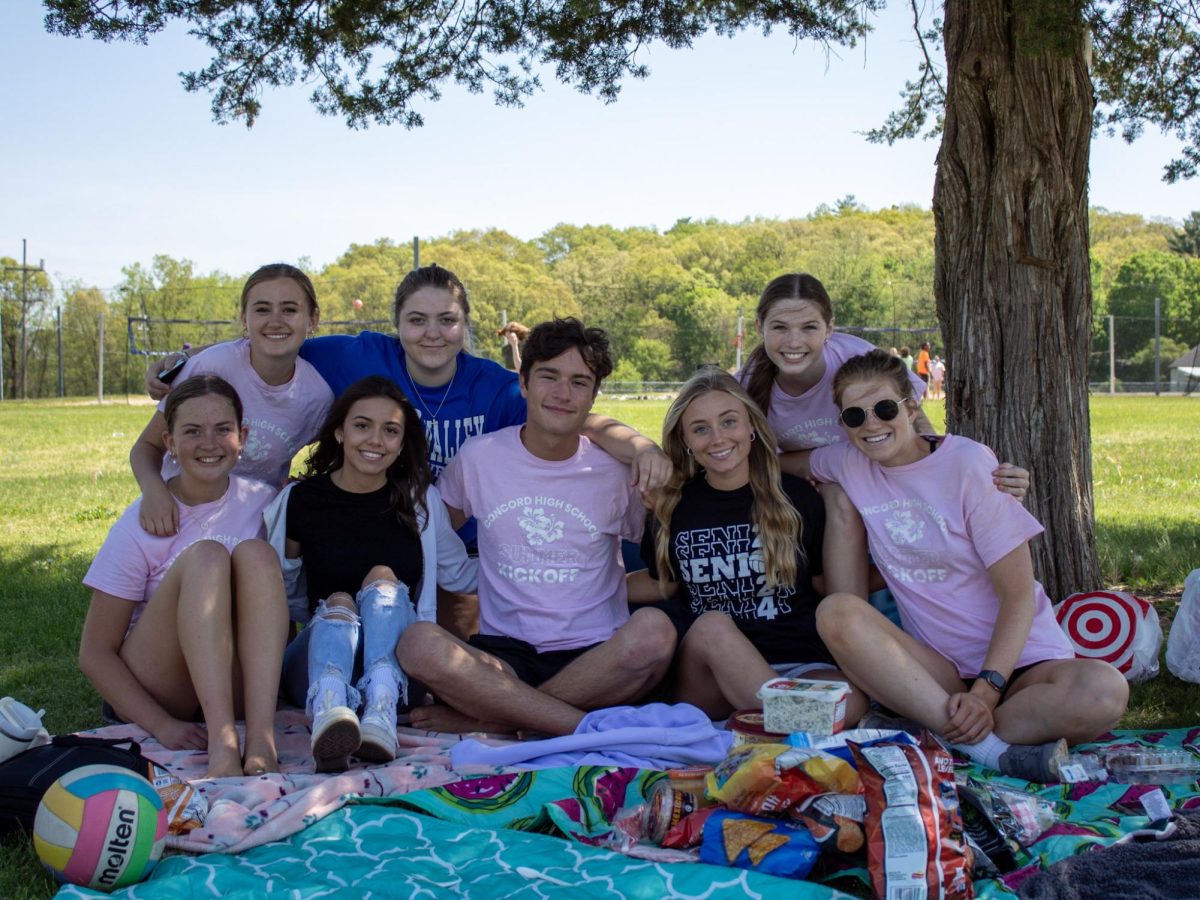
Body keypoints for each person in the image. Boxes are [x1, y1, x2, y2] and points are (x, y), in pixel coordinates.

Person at [148, 265, 669, 635]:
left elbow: (572, 413)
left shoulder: (492, 385)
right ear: (396, 323)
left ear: (465, 326)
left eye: (447, 320)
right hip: (380, 526)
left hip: (466, 540)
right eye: (417, 320)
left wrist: (641, 445)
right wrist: (180, 366)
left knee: (602, 548)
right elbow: (272, 338)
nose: (432, 333)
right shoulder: (358, 355)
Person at [810, 350, 1129, 782]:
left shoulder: (969, 464)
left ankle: (943, 733)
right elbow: (775, 459)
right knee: (836, 612)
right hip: (939, 673)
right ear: (843, 424)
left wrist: (986, 692)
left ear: (911, 406)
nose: (871, 424)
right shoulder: (848, 462)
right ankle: (988, 748)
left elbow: (1017, 597)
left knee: (1104, 691)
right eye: (854, 416)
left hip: (1024, 666)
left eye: (884, 409)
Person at [396, 318, 677, 736]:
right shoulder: (480, 458)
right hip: (504, 658)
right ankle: (571, 724)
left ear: (593, 396)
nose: (563, 394)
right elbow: (431, 533)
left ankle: (497, 721)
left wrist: (659, 491)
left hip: (598, 656)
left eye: (579, 383)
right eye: (549, 377)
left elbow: (666, 567)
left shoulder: (615, 471)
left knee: (655, 632)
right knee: (417, 643)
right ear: (523, 384)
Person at [628, 369, 867, 723]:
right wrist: (582, 586)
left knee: (854, 701)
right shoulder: (673, 507)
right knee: (712, 626)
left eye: (729, 422)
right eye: (700, 429)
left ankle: (775, 721)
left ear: (751, 426)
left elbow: (823, 584)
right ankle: (794, 722)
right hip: (711, 672)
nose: (717, 438)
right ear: (685, 441)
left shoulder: (798, 497)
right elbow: (661, 584)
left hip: (799, 663)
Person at [80, 376, 289, 778]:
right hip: (165, 686)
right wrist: (160, 725)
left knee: (257, 555)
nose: (209, 443)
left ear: (242, 437)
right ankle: (223, 747)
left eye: (222, 429)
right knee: (208, 557)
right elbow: (95, 653)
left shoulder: (265, 504)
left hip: (238, 683)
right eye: (192, 431)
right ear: (169, 443)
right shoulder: (143, 520)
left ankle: (262, 740)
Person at [264, 377, 476, 771]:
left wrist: (531, 562)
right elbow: (282, 592)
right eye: (362, 425)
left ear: (401, 442)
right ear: (340, 431)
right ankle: (330, 713)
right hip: (315, 665)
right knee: (340, 600)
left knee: (383, 576)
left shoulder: (419, 500)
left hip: (402, 676)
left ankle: (380, 712)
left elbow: (461, 575)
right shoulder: (301, 500)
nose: (375, 440)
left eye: (390, 430)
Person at [131, 263, 332, 537]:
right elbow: (147, 446)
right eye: (262, 309)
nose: (275, 320)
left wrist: (304, 487)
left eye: (290, 309)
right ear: (243, 319)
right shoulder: (211, 366)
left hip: (251, 524)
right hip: (179, 513)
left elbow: (334, 459)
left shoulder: (317, 396)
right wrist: (154, 493)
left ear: (312, 319)